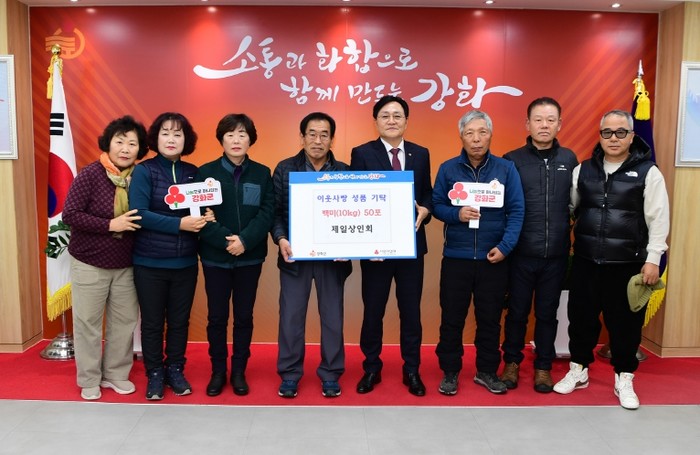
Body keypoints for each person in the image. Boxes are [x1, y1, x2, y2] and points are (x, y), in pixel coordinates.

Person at [553, 110, 670, 410]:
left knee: (625, 325)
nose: (613, 138)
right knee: (581, 320)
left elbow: (658, 219)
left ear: (632, 136)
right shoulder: (583, 170)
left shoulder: (648, 172)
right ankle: (579, 370)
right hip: (586, 261)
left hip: (628, 264)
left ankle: (624, 376)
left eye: (620, 132)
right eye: (607, 132)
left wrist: (653, 258)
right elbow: (572, 208)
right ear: (600, 136)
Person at [433, 110, 525, 395]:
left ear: (490, 135)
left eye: (482, 132)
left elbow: (517, 210)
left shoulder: (506, 169)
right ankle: (450, 371)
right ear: (461, 136)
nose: (476, 139)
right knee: (452, 318)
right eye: (470, 133)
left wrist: (505, 247)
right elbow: (436, 206)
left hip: (493, 258)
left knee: (490, 319)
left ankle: (486, 370)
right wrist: (456, 214)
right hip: (456, 258)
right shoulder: (448, 169)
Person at [350, 95, 433, 397]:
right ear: (376, 121)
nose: (392, 120)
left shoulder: (420, 154)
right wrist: (364, 244)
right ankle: (371, 367)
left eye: (398, 115)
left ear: (406, 121)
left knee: (410, 312)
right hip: (376, 251)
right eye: (385, 115)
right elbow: (355, 198)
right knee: (373, 311)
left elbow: (428, 193)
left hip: (411, 246)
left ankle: (412, 369)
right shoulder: (362, 153)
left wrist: (426, 209)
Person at [63, 116, 148, 400]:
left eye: (132, 143)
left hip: (127, 263)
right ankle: (89, 378)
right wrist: (111, 224)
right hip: (89, 262)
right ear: (108, 144)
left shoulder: (141, 177)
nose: (125, 148)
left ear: (140, 149)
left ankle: (115, 374)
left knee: (124, 323)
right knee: (87, 323)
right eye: (120, 141)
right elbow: (70, 215)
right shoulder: (91, 174)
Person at [129, 112, 211, 400]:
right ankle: (154, 373)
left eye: (178, 134)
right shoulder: (144, 171)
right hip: (149, 263)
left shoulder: (193, 172)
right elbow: (139, 214)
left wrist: (207, 215)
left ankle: (175, 368)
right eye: (165, 133)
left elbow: (200, 212)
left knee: (179, 322)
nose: (171, 139)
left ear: (186, 140)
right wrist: (180, 225)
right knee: (152, 323)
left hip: (186, 262)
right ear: (156, 138)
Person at [499, 97, 579, 393]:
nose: (544, 125)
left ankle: (543, 367)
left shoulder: (569, 159)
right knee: (516, 313)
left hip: (556, 255)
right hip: (520, 253)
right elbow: (503, 206)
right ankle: (511, 363)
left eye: (550, 120)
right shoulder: (511, 159)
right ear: (527, 124)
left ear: (559, 124)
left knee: (547, 314)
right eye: (538, 119)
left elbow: (575, 203)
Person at [271, 112, 352, 398]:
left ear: (332, 139)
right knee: (291, 318)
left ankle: (331, 373)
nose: (318, 140)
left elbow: (352, 215)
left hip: (332, 260)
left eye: (324, 135)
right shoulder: (284, 169)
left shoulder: (345, 171)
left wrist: (349, 246)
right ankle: (290, 374)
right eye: (312, 134)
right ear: (302, 137)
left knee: (332, 319)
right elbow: (275, 212)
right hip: (295, 257)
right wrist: (281, 238)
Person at [197, 114, 274, 397]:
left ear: (251, 139)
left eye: (242, 134)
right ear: (221, 139)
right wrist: (226, 241)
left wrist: (245, 241)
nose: (236, 140)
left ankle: (239, 370)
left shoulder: (262, 173)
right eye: (230, 134)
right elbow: (200, 216)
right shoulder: (205, 173)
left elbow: (267, 212)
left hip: (250, 257)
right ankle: (218, 371)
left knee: (244, 316)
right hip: (215, 258)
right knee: (217, 317)